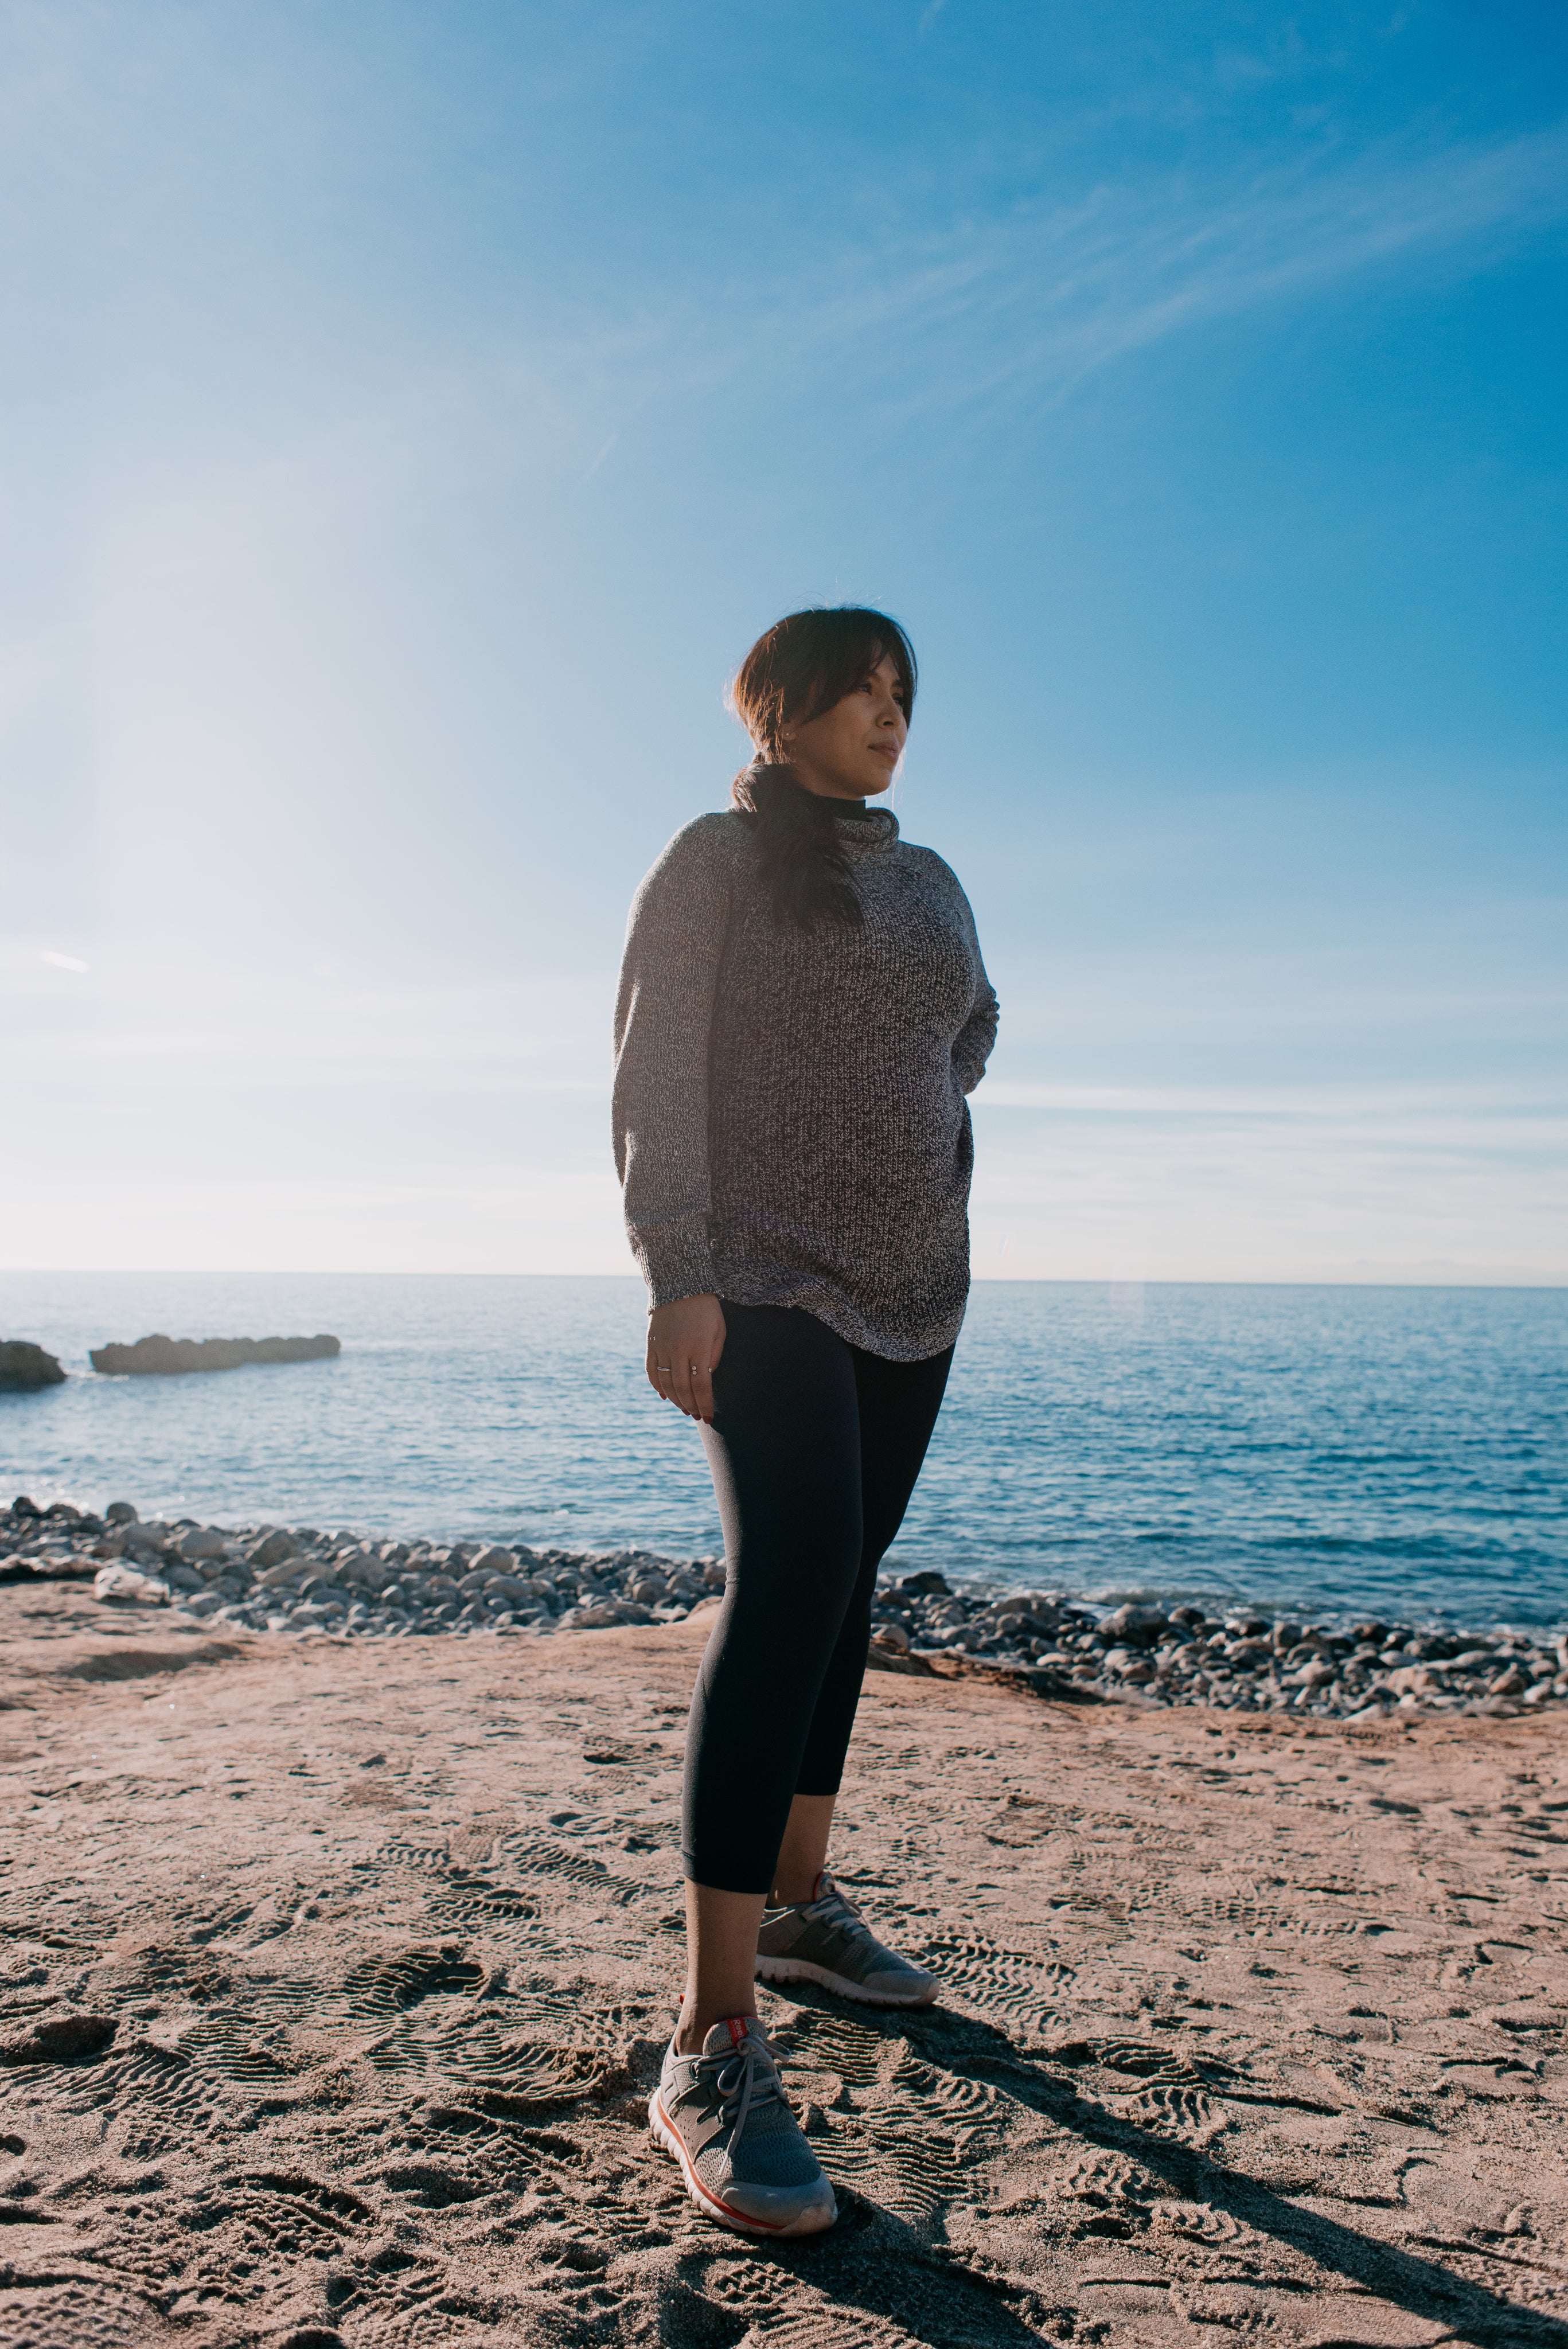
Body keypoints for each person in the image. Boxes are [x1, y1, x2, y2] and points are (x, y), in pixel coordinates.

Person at [613, 606, 998, 2238]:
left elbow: (971, 1034)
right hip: (759, 1283)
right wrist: (678, 1272)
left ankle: (795, 1903)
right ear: (783, 708)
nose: (889, 716)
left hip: (918, 1290)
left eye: (906, 694)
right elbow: (653, 1079)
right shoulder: (714, 859)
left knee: (846, 1591)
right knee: (789, 1583)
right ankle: (710, 2037)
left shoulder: (928, 876)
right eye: (861, 691)